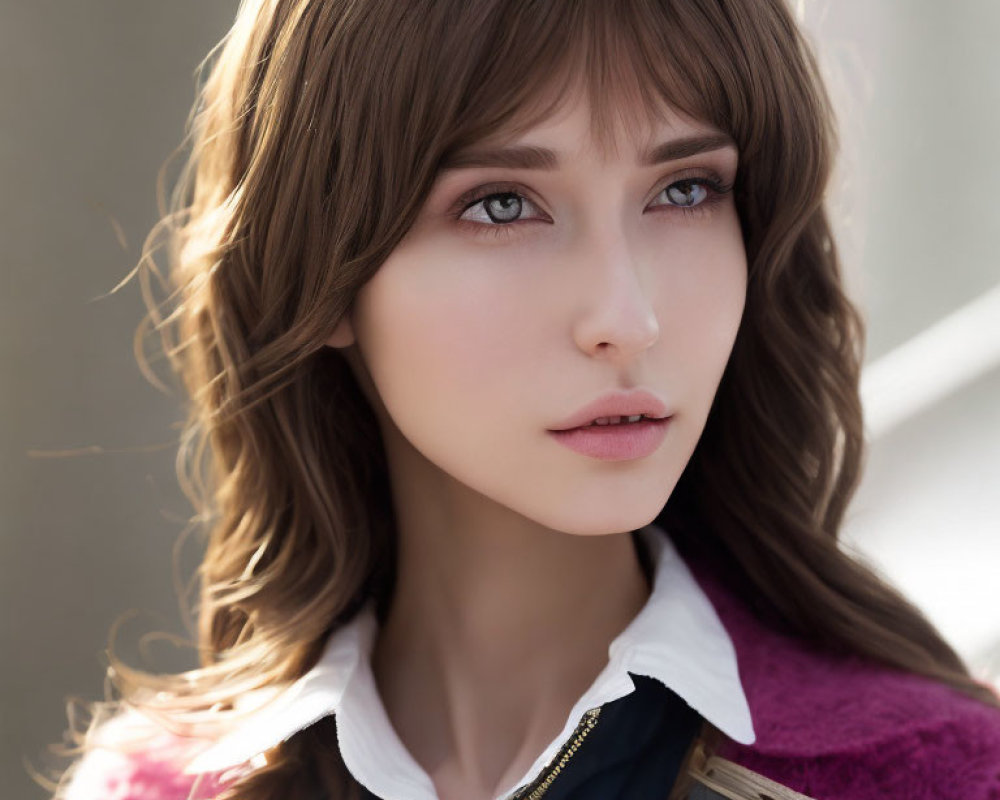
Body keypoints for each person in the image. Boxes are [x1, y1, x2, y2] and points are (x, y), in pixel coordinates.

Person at [52, 0, 1000, 798]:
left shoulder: (938, 774)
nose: (627, 320)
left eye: (685, 191)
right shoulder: (150, 784)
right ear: (325, 275)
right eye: (502, 204)